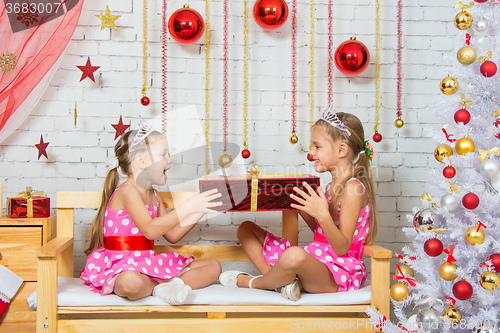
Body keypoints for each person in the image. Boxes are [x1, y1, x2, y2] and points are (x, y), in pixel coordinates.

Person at [219, 105, 378, 301]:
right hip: (317, 257)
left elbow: (341, 248)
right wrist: (304, 208)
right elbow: (322, 233)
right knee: (246, 229)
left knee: (294, 255)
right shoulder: (329, 187)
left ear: (341, 150)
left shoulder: (353, 189)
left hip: (337, 271)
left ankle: (257, 283)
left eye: (317, 146)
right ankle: (281, 283)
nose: (312, 153)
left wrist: (321, 214)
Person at [81, 119, 223, 305]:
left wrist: (200, 208)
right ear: (141, 161)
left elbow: (172, 235)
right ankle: (162, 287)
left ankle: (167, 287)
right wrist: (189, 206)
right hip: (121, 266)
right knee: (131, 283)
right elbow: (150, 230)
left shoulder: (154, 195)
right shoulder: (128, 191)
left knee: (213, 266)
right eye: (164, 154)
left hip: (146, 264)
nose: (169, 159)